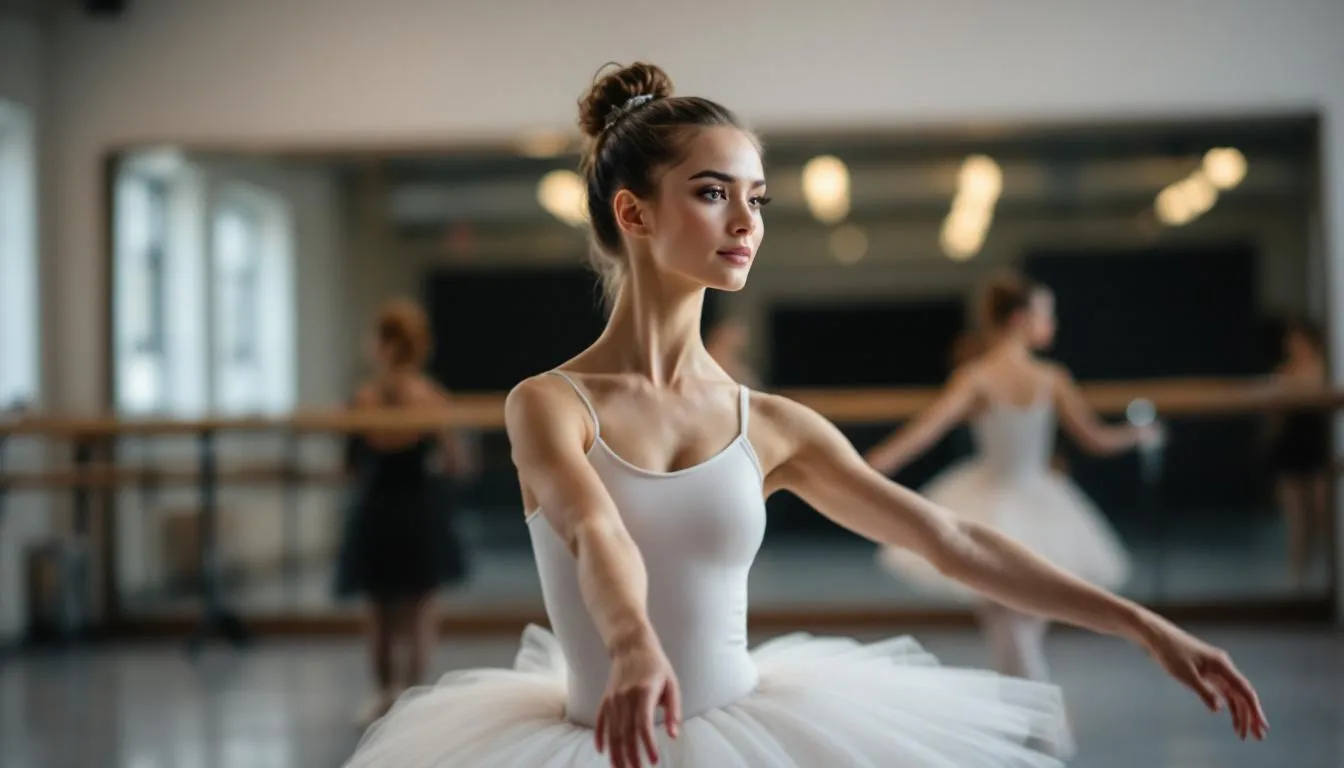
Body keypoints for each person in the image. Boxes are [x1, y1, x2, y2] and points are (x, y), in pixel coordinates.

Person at [343, 63, 1266, 768]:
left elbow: (952, 541)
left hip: (744, 732)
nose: (746, 221)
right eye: (713, 193)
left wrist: (1144, 625)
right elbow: (595, 531)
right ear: (633, 211)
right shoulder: (549, 404)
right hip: (595, 734)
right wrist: (632, 645)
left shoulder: (774, 426)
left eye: (757, 199)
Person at [865, 273, 1159, 751]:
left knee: (1010, 626)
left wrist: (869, 465)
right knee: (1016, 627)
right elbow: (1096, 439)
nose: (1052, 323)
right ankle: (1038, 733)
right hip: (1030, 504)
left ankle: (1034, 732)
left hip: (995, 506)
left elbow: (924, 432)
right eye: (1046, 314)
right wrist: (1140, 435)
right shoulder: (1050, 377)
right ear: (1021, 319)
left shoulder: (978, 377)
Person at [334, 298, 471, 727]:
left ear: (382, 344)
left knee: (379, 611)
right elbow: (456, 462)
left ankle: (383, 694)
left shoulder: (363, 398)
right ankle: (413, 697)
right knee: (420, 612)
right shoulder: (431, 397)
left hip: (377, 507)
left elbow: (348, 466)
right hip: (419, 507)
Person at [1264, 318, 1333, 589]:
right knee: (1296, 519)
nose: (1293, 345)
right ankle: (1298, 575)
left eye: (1298, 340)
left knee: (1322, 512)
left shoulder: (1324, 370)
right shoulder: (1284, 371)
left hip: (1316, 447)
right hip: (1291, 447)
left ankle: (1329, 573)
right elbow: (1275, 415)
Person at [705, 315, 762, 387]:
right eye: (736, 332)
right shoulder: (705, 358)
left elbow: (753, 386)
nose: (741, 338)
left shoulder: (741, 370)